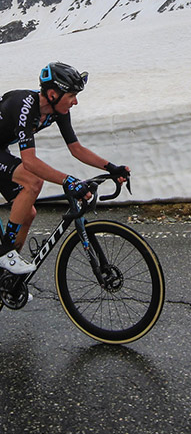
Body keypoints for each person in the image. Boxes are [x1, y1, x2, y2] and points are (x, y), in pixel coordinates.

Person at [0, 62, 129, 276]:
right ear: (52, 94)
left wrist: (111, 167)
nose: (75, 102)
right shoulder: (24, 105)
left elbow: (76, 148)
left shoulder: (58, 111)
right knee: (33, 182)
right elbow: (30, 162)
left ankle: (6, 277)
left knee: (28, 213)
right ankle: (6, 253)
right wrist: (68, 180)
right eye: (72, 95)